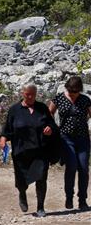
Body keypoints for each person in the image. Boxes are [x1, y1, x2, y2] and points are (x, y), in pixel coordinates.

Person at [1, 83, 60, 217]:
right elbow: (7, 129)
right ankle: (22, 194)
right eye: (28, 94)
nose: (30, 97)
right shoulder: (14, 110)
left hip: (40, 151)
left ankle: (40, 207)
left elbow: (52, 124)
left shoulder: (42, 108)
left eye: (33, 94)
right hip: (21, 152)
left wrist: (50, 129)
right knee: (21, 181)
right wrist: (3, 140)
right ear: (23, 93)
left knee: (41, 178)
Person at [48, 76, 91, 210]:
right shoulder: (59, 98)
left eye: (75, 92)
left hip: (83, 138)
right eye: (70, 92)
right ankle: (69, 197)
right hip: (66, 138)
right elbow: (50, 113)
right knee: (71, 167)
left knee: (84, 168)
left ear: (80, 90)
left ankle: (82, 200)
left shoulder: (85, 100)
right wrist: (52, 129)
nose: (72, 94)